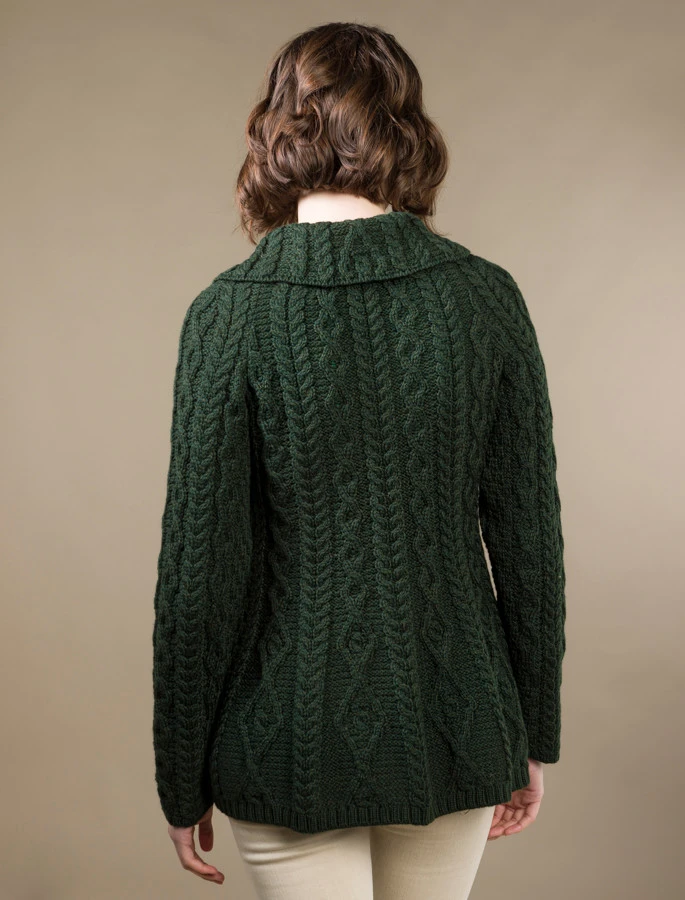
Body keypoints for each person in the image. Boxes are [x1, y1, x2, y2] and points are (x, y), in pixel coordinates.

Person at [151, 21, 566, 900]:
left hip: (280, 736)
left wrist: (179, 776)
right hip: (455, 721)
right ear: (406, 129)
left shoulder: (228, 315)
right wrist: (532, 731)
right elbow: (527, 544)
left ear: (275, 130)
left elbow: (201, 574)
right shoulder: (483, 299)